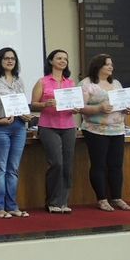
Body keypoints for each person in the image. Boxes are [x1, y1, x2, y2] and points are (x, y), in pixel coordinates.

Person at [0, 47, 33, 218]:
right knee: (0, 167)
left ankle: (12, 206)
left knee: (13, 169)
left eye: (13, 58)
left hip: (18, 126)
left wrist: (26, 114)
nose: (10, 61)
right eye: (6, 58)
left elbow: (21, 103)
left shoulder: (18, 80)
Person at [78, 54, 130, 212]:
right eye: (107, 64)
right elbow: (79, 107)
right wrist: (98, 109)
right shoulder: (87, 84)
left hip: (117, 129)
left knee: (116, 165)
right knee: (99, 164)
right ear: (98, 66)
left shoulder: (116, 83)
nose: (111, 67)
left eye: (111, 64)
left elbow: (124, 102)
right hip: (95, 130)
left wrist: (126, 108)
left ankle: (116, 197)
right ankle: (102, 199)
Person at [30, 50, 78, 214]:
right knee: (56, 163)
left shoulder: (70, 83)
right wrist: (45, 104)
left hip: (69, 126)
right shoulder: (43, 81)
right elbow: (33, 104)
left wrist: (76, 108)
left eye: (65, 58)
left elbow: (75, 105)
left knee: (67, 165)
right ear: (51, 61)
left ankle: (63, 202)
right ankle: (52, 201)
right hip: (48, 126)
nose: (62, 61)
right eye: (59, 58)